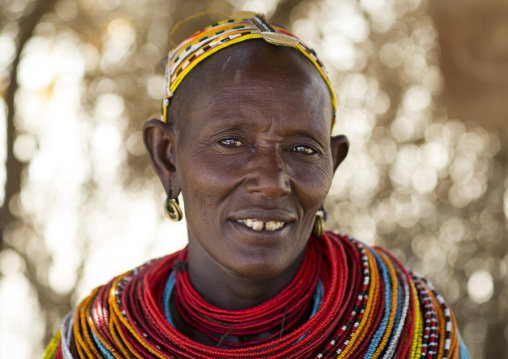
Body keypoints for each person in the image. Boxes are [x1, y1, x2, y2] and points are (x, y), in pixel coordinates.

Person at [44, 12, 470, 358]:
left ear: (334, 162)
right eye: (231, 142)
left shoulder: (407, 325)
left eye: (303, 150)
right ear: (167, 155)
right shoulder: (95, 342)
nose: (271, 182)